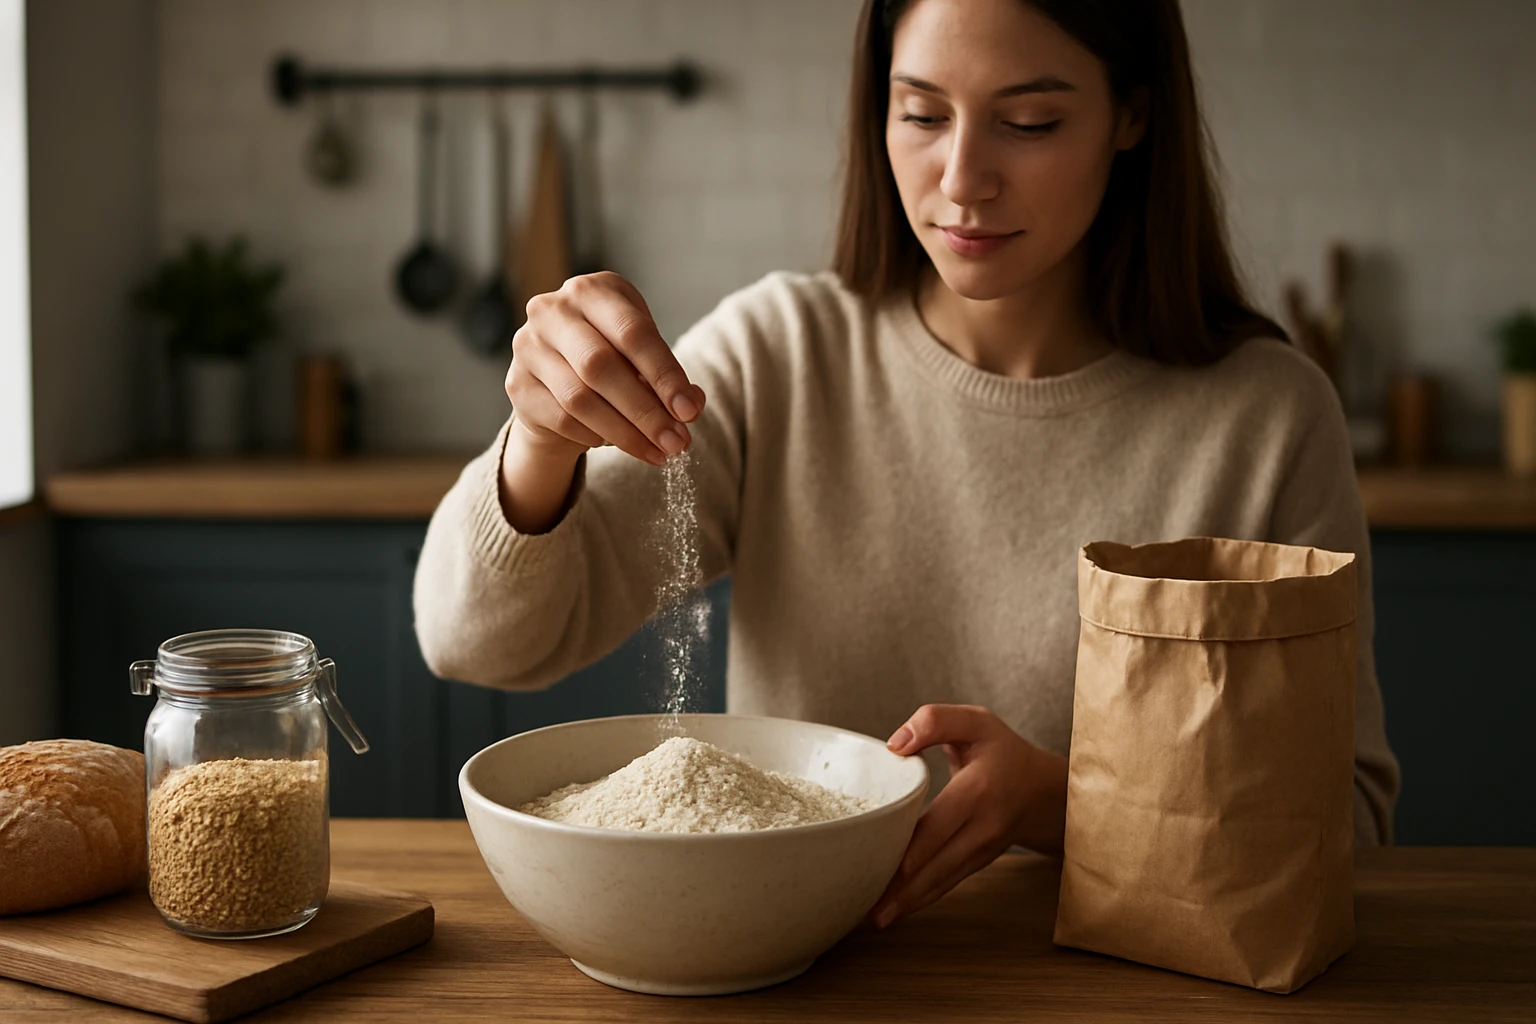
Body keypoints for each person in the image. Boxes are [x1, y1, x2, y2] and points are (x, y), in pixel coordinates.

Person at [414, 0, 1399, 931]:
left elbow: (1344, 823)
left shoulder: (1266, 418)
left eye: (1032, 122)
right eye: (921, 112)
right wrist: (540, 437)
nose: (962, 178)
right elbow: (477, 643)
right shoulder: (781, 353)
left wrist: (1065, 800)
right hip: (789, 978)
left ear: (1133, 115)